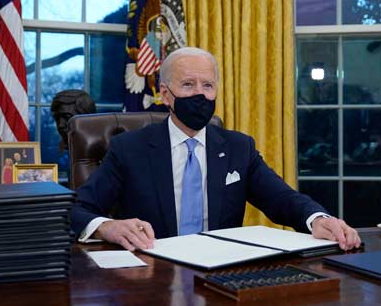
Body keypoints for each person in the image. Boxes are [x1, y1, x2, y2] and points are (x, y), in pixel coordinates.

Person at [71, 47, 360, 251]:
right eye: (188, 84)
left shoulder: (238, 148)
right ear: (166, 95)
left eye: (207, 85)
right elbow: (77, 209)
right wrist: (107, 227)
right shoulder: (129, 149)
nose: (200, 93)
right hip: (152, 274)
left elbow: (282, 198)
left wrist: (317, 219)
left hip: (220, 277)